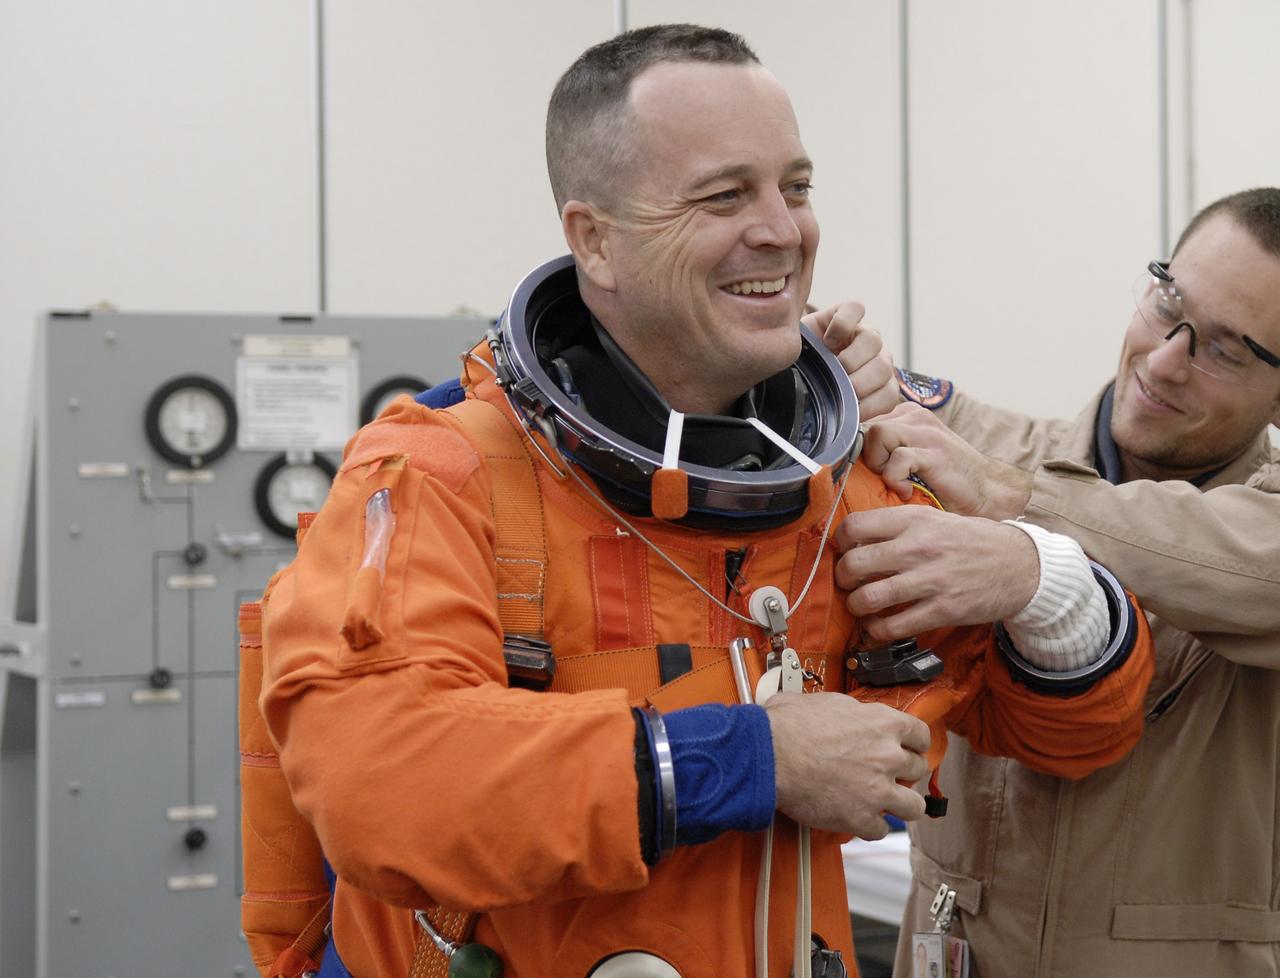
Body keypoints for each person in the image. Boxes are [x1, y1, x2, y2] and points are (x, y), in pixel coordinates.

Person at [257, 25, 1155, 978]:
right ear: (596, 240)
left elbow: (1075, 733)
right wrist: (755, 758)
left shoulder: (843, 485)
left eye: (796, 187)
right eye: (725, 195)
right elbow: (386, 790)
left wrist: (1041, 578)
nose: (782, 229)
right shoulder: (446, 478)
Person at [839, 188, 1280, 977]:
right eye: (1168, 303)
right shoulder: (980, 445)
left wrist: (1025, 522)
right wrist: (825, 361)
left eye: (1226, 349)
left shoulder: (1254, 531)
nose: (1165, 359)